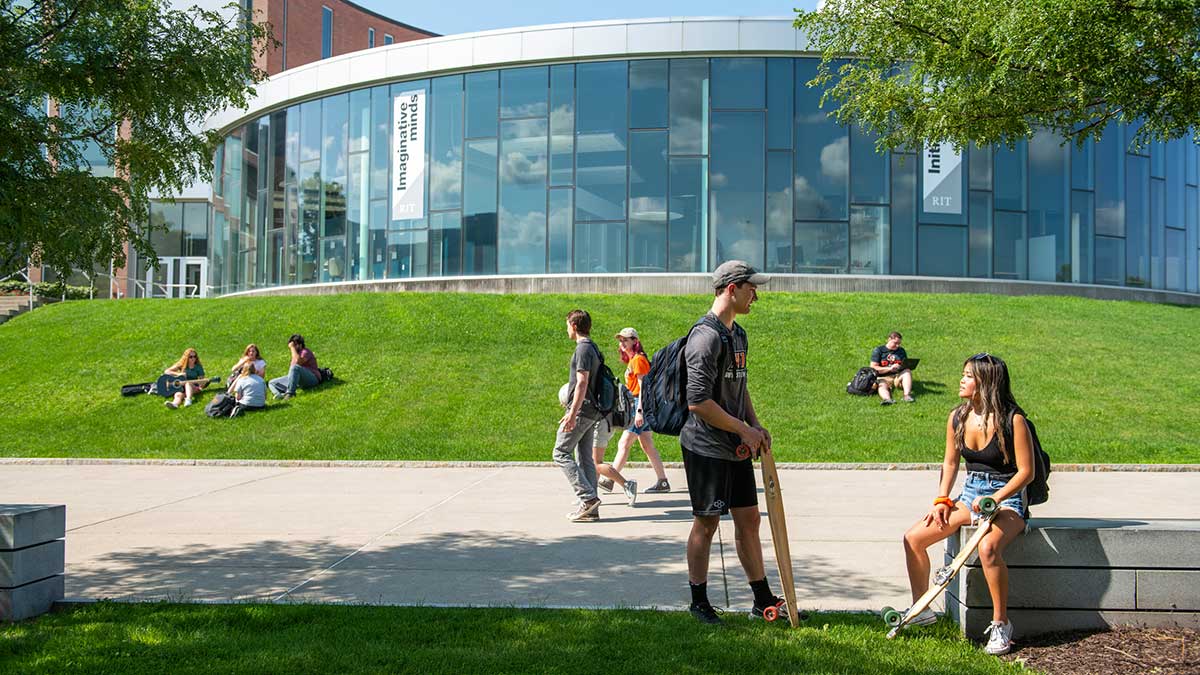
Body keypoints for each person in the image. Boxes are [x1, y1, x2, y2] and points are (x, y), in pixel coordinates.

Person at [899, 353, 1034, 655]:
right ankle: (921, 609)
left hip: (1008, 496)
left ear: (987, 382)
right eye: (963, 374)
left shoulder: (1014, 420)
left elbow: (1027, 472)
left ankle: (1001, 625)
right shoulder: (958, 417)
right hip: (971, 493)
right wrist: (942, 499)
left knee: (988, 549)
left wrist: (995, 498)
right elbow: (950, 462)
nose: (961, 380)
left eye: (969, 376)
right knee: (913, 538)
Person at [682, 260, 786, 625]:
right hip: (706, 447)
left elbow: (738, 386)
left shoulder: (737, 334)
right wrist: (743, 430)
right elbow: (698, 402)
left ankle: (761, 599)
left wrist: (755, 424)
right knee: (707, 524)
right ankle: (699, 602)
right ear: (731, 288)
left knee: (748, 520)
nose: (755, 295)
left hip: (735, 446)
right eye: (751, 288)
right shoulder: (704, 337)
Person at [599, 327, 671, 495]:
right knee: (647, 444)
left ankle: (610, 479)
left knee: (623, 443)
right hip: (638, 403)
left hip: (640, 404)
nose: (622, 343)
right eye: (620, 340)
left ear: (635, 341)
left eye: (625, 339)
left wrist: (640, 411)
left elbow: (643, 388)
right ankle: (663, 481)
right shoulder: (634, 360)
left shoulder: (638, 360)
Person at [553, 310, 604, 522]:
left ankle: (588, 498)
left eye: (567, 325)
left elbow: (582, 382)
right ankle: (591, 510)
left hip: (582, 410)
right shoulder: (593, 347)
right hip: (592, 410)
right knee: (584, 458)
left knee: (560, 452)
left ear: (574, 326)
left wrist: (572, 413)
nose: (566, 329)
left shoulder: (583, 349)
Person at [268, 334, 321, 400]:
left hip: (312, 379)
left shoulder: (305, 351)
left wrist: (292, 348)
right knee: (272, 382)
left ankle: (290, 394)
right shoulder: (296, 354)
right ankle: (279, 395)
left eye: (295, 344)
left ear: (300, 344)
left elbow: (298, 362)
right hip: (299, 380)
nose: (293, 346)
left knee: (295, 367)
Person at [872, 331, 914, 405]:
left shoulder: (901, 351)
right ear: (889, 339)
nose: (897, 345)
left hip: (897, 375)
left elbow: (905, 364)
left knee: (907, 371)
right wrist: (889, 368)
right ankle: (887, 399)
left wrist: (902, 366)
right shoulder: (879, 350)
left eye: (899, 343)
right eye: (895, 343)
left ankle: (907, 396)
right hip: (883, 377)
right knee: (881, 385)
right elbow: (873, 367)